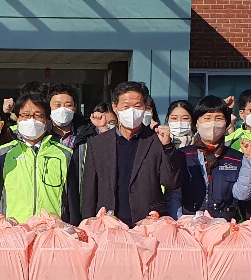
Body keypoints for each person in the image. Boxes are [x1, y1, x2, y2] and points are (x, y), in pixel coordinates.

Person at [79, 81, 185, 225]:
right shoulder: (97, 144)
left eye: (137, 106)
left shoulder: (156, 140)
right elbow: (89, 190)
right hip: (108, 223)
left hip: (148, 223)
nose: (132, 111)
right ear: (115, 107)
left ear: (145, 107)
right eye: (126, 106)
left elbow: (171, 182)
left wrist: (168, 147)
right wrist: (88, 223)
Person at [0, 94, 77, 222]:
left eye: (38, 115)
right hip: (15, 228)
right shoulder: (5, 152)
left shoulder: (64, 154)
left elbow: (72, 199)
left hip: (50, 228)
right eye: (25, 115)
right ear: (18, 119)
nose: (31, 120)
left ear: (47, 120)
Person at [174, 95, 251, 220]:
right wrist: (178, 222)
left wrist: (249, 160)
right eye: (207, 118)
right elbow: (174, 195)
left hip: (224, 224)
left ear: (226, 123)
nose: (212, 124)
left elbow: (243, 194)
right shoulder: (182, 155)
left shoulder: (237, 158)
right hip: (190, 223)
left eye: (219, 118)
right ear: (197, 122)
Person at [47, 83, 92, 149]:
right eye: (57, 105)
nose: (62, 109)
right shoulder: (41, 134)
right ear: (48, 107)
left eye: (68, 105)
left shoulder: (87, 132)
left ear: (75, 107)